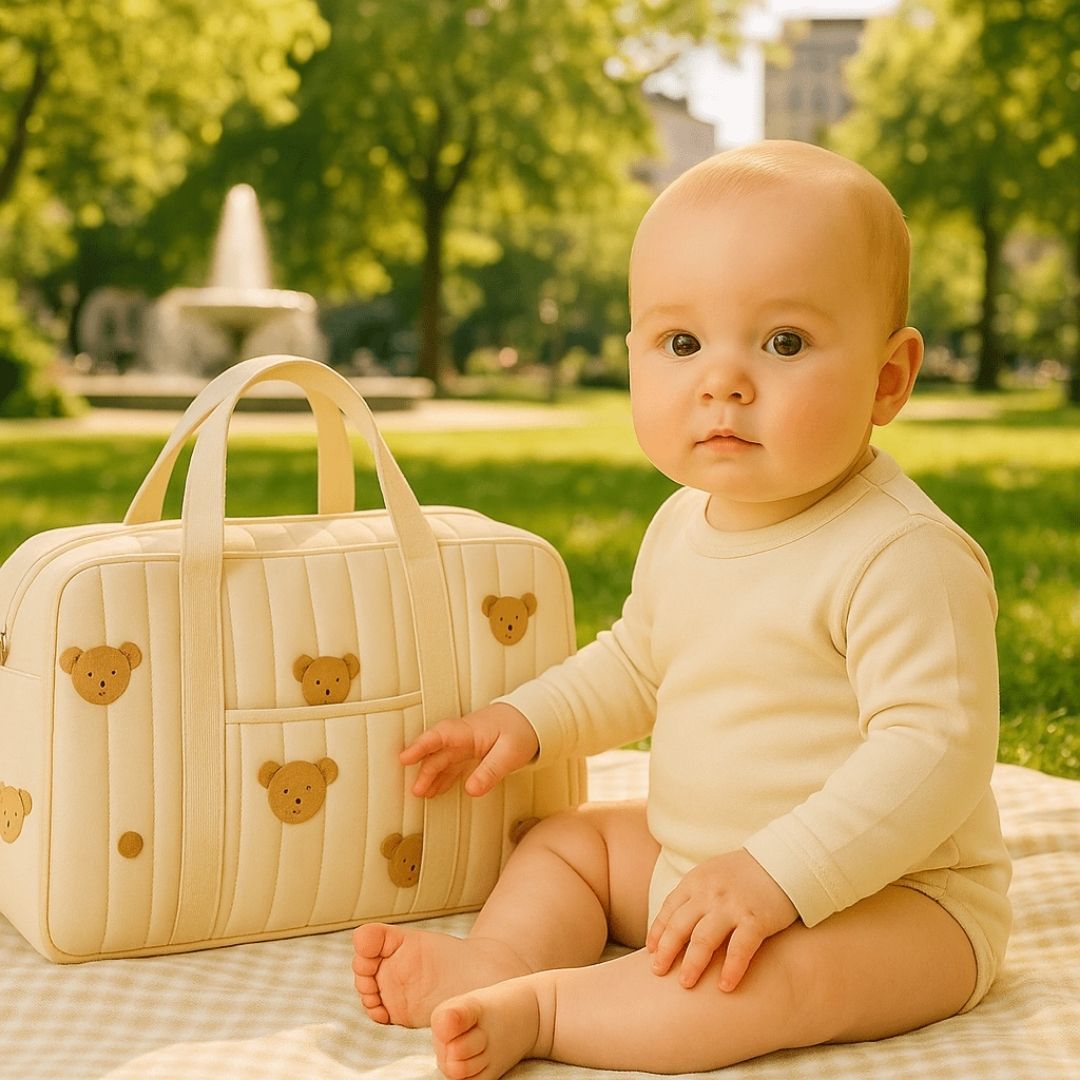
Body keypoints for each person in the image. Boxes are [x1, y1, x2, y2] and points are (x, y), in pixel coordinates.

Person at [352, 139, 1012, 1079]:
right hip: (694, 860)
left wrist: (776, 876)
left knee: (769, 983)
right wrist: (526, 721)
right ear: (635, 357)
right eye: (682, 343)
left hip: (901, 903)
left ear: (888, 379)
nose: (724, 380)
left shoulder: (901, 553)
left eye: (784, 343)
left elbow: (935, 752)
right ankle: (500, 961)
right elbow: (636, 662)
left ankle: (544, 1011)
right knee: (567, 844)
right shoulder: (683, 525)